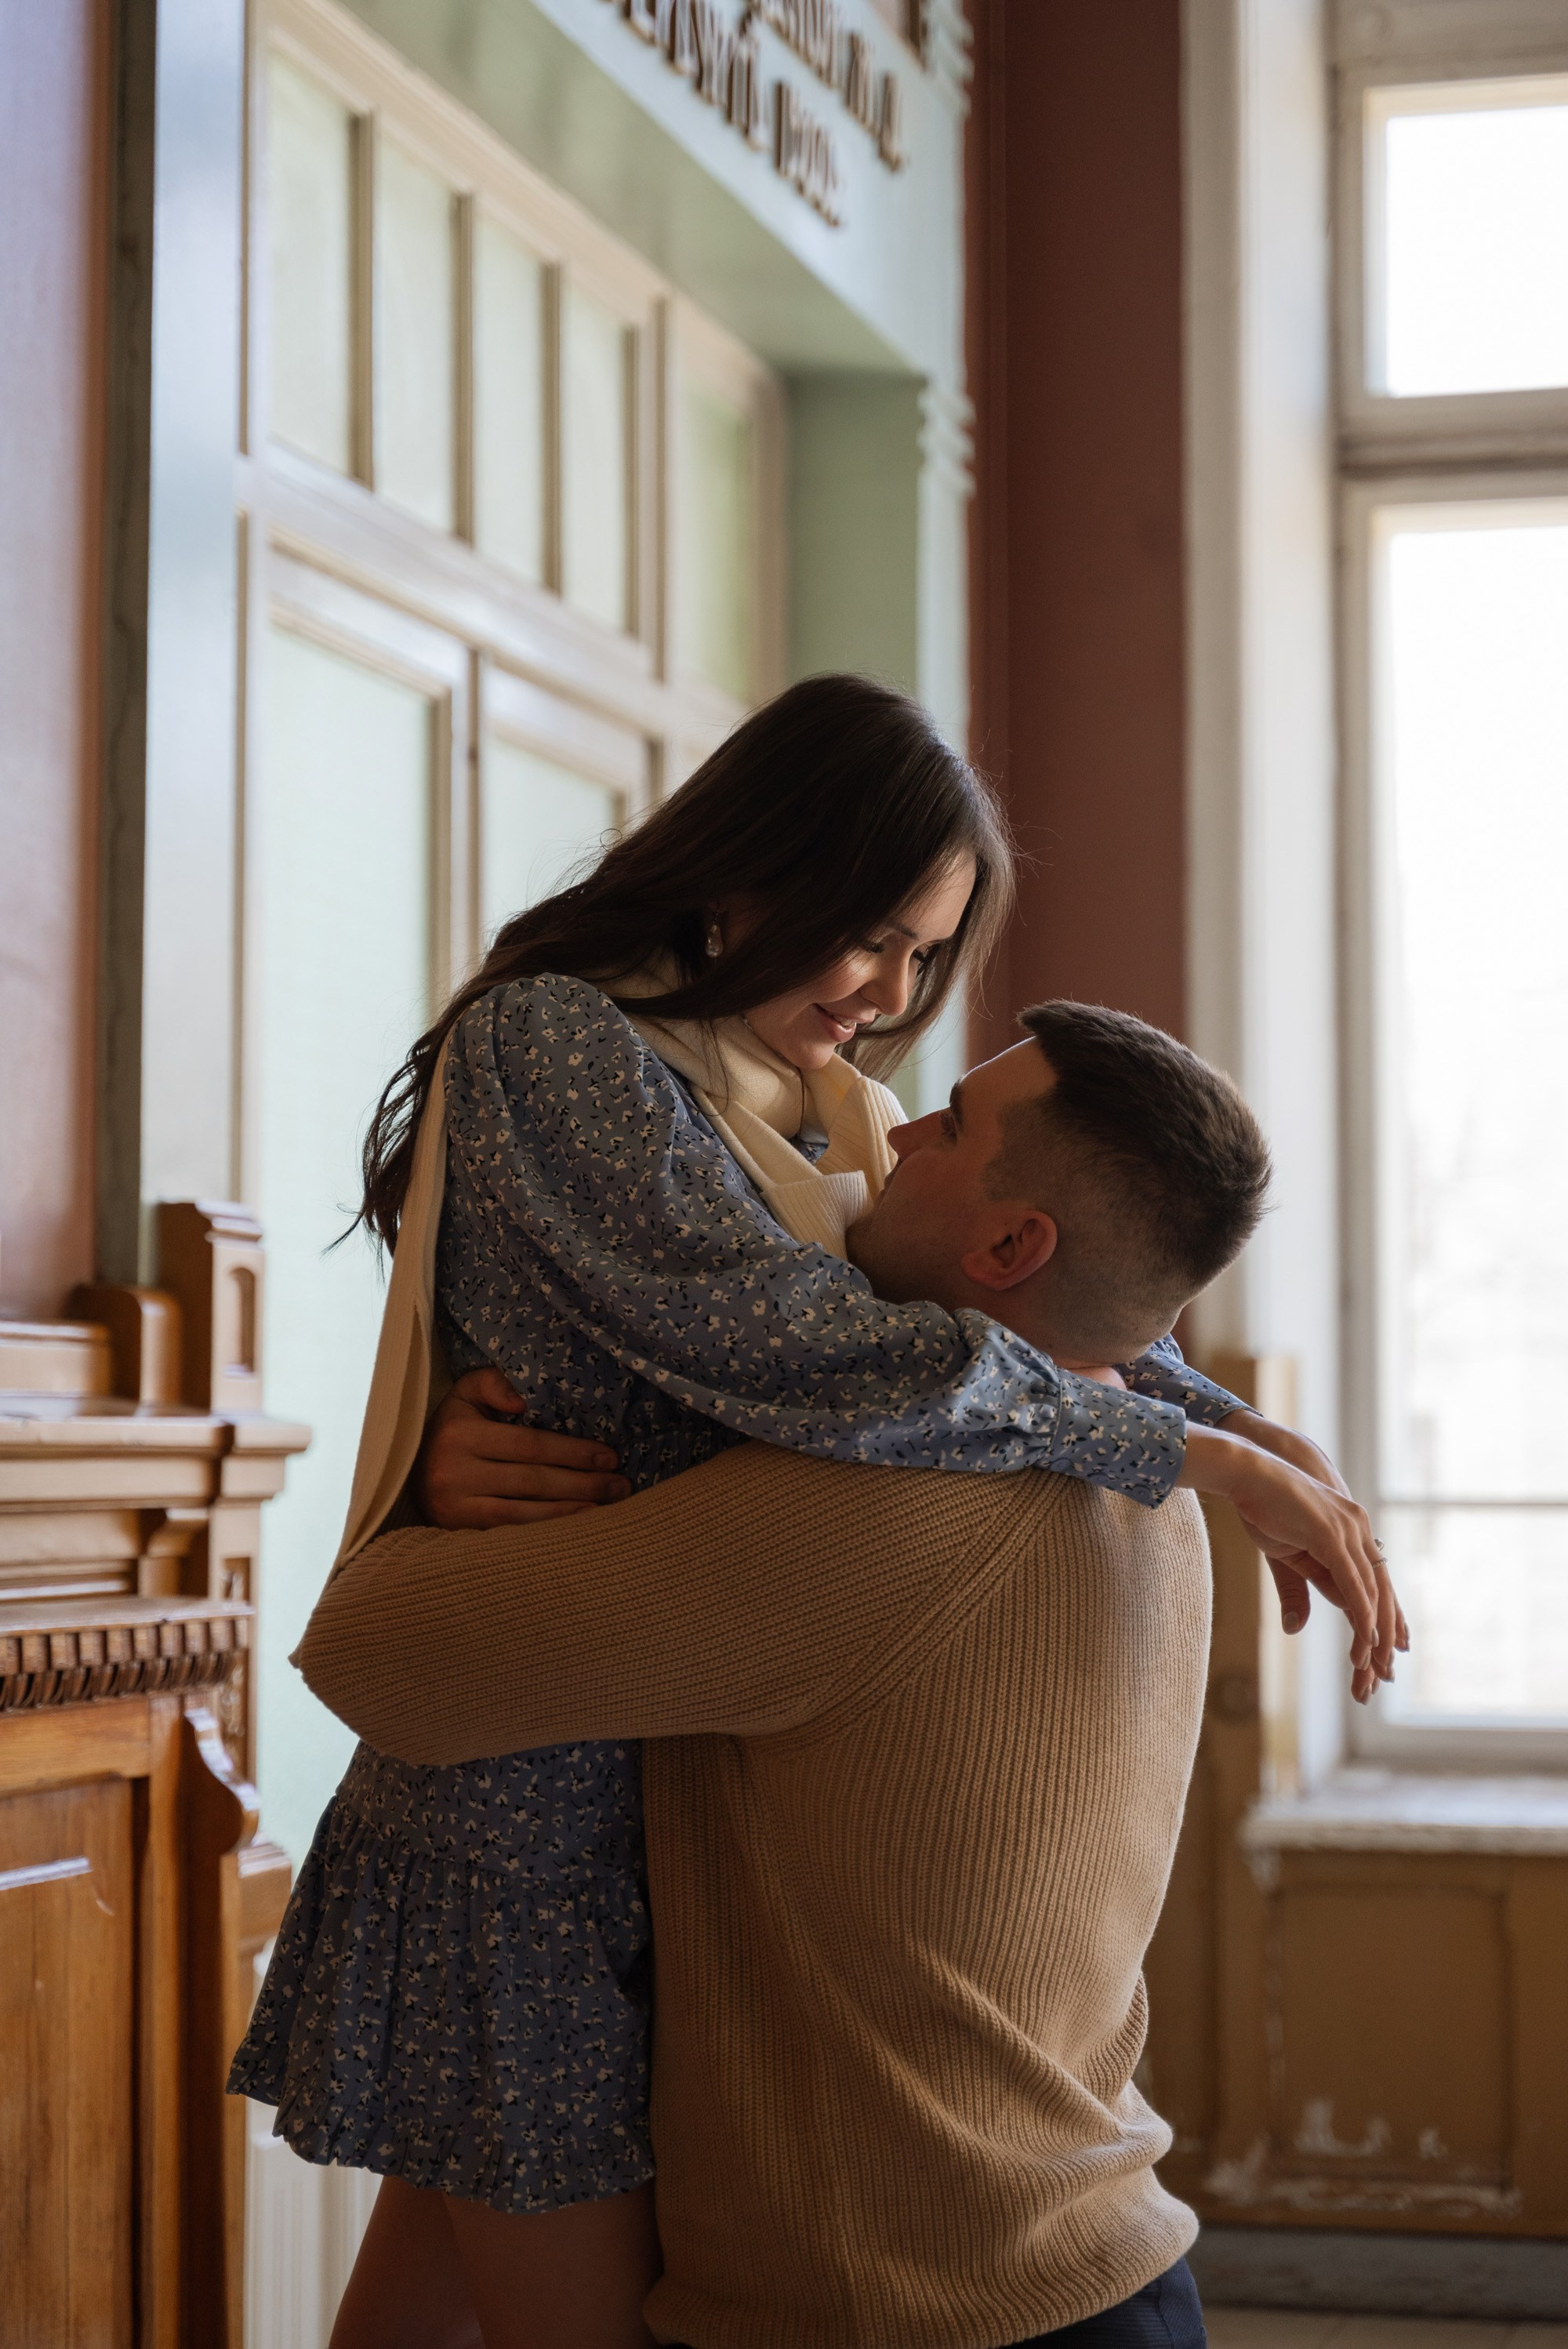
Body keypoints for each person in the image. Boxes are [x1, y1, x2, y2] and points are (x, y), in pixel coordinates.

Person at [229, 674, 1396, 2349]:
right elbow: (799, 1351)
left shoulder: (802, 1099)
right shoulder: (560, 1037)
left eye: (928, 956)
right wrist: (1196, 1454)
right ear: (753, 866)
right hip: (535, 1813)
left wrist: (1229, 1419)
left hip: (673, 1775)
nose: (891, 996)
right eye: (873, 936)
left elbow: (973, 1327)